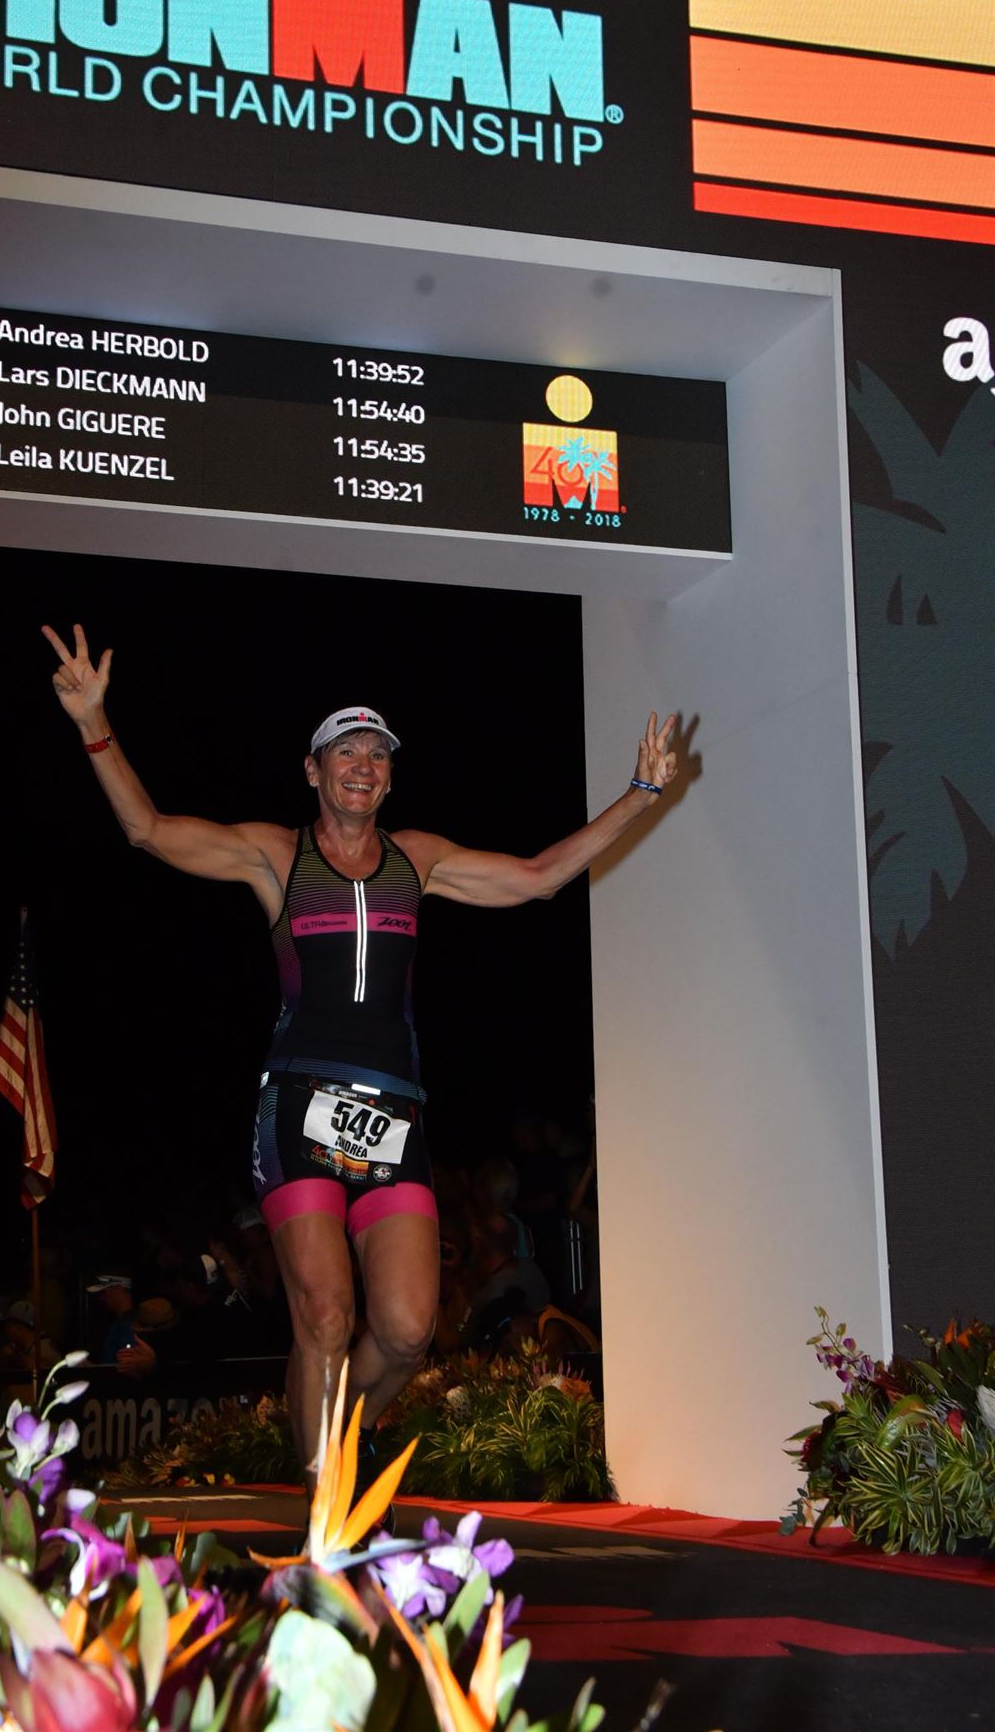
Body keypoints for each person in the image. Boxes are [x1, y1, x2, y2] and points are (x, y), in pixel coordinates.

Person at [41, 622, 677, 1484]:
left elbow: (538, 877)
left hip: (392, 1115)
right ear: (313, 771)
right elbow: (148, 830)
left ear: (389, 777)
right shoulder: (276, 855)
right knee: (325, 1317)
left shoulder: (419, 860)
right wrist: (93, 722)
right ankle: (322, 1500)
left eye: (377, 754)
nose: (363, 764)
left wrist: (641, 793)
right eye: (345, 751)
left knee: (409, 1331)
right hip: (298, 1107)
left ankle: (344, 1434)